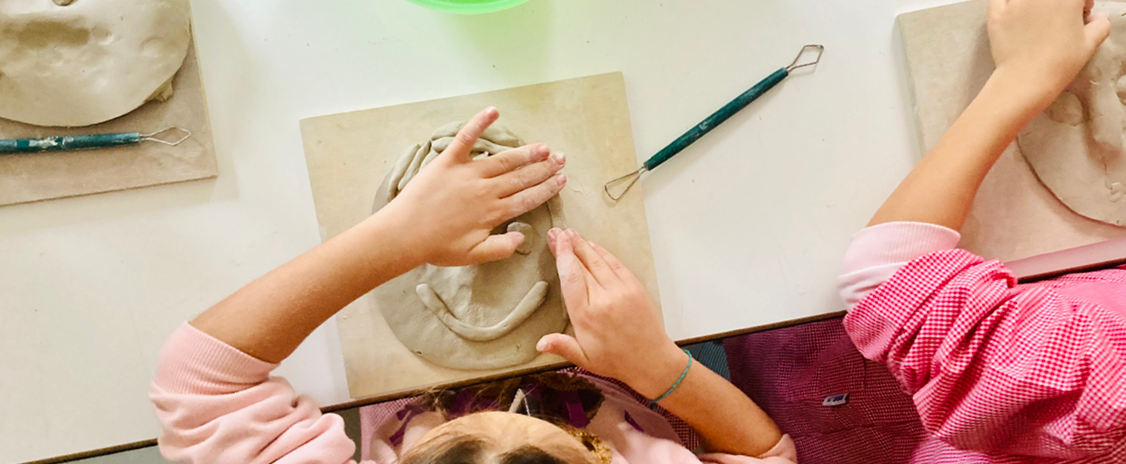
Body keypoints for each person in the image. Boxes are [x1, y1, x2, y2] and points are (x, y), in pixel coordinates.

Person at [149, 107, 796, 464]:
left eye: (456, 443)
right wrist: (659, 368)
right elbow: (768, 458)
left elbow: (200, 383)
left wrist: (396, 238)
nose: (499, 415)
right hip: (627, 376)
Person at [833, 0, 1126, 461]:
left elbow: (888, 276)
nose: (1107, 139)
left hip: (871, 411)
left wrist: (1026, 74)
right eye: (1066, 107)